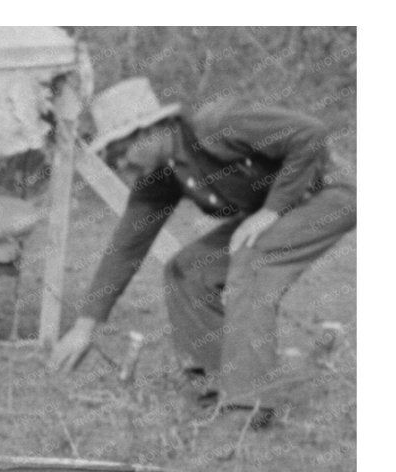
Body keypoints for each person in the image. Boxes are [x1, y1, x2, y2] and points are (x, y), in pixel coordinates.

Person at [47, 78, 355, 428]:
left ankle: (247, 409)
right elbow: (126, 247)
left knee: (253, 261)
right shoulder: (160, 176)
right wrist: (85, 327)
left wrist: (271, 211)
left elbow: (310, 134)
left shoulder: (218, 124)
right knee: (188, 269)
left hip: (327, 194)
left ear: (152, 130)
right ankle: (216, 388)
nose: (120, 165)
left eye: (121, 152)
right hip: (280, 209)